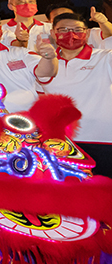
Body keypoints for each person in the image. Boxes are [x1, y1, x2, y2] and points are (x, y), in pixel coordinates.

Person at [41, 12, 112, 178]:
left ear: (86, 33)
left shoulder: (104, 57)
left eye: (77, 30)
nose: (70, 34)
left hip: (103, 140)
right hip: (61, 143)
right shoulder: (44, 64)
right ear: (53, 33)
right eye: (63, 29)